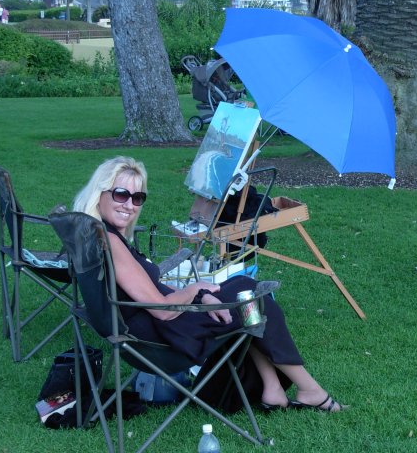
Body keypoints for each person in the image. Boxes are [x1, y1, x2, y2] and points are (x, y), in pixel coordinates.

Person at [73, 156, 346, 413]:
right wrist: (194, 290)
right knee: (255, 302)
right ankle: (309, 390)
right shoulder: (111, 245)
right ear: (100, 193)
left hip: (148, 326)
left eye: (137, 197)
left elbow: (150, 294)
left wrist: (202, 295)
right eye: (121, 194)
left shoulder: (99, 237)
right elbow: (163, 309)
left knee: (244, 289)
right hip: (159, 336)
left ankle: (273, 388)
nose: (129, 205)